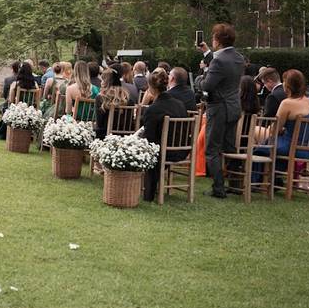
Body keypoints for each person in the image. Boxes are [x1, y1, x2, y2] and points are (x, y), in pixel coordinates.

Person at [200, 23, 245, 199]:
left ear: (217, 41)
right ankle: (235, 184)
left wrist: (201, 76)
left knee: (212, 149)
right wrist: (207, 54)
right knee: (230, 147)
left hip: (218, 107)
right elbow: (222, 66)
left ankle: (218, 188)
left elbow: (207, 85)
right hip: (234, 106)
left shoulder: (218, 61)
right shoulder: (238, 58)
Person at [140, 69, 190, 201]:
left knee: (147, 146)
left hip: (163, 152)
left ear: (150, 88)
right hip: (183, 150)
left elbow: (149, 139)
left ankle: (148, 194)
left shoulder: (153, 109)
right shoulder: (180, 105)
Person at [254, 69, 309, 162]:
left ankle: (255, 169)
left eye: (284, 81)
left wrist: (276, 129)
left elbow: (274, 130)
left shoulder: (287, 103)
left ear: (288, 86)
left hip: (292, 146)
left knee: (255, 130)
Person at [0, 62, 39, 139]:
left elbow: (11, 101)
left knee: (5, 107)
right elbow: (36, 100)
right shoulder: (35, 85)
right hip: (30, 111)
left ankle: (4, 132)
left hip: (16, 110)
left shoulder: (15, 84)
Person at [95, 67, 131, 139]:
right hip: (125, 137)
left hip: (104, 136)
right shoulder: (128, 99)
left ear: (105, 82)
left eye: (102, 80)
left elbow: (99, 122)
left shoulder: (101, 98)